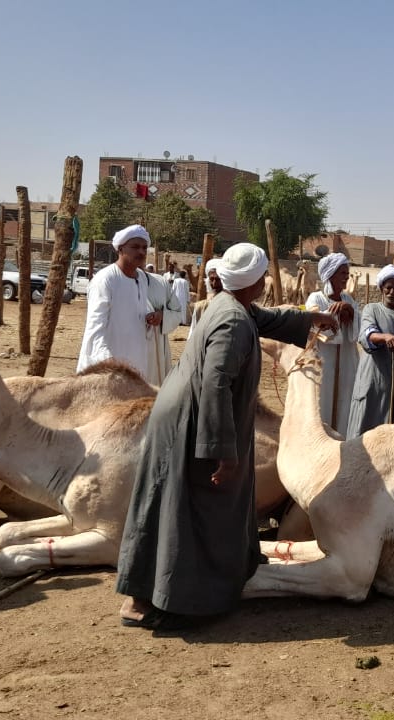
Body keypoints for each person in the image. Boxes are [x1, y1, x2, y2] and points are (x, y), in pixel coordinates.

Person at [116, 243, 338, 631]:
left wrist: (310, 318)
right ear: (254, 281)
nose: (267, 281)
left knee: (194, 503)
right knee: (182, 507)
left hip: (190, 413)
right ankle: (157, 601)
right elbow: (215, 384)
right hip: (194, 419)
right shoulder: (233, 322)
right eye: (264, 276)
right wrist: (222, 450)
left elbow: (266, 319)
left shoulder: (229, 305)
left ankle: (226, 573)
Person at [76, 224, 164, 382]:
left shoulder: (142, 278)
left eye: (144, 247)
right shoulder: (105, 279)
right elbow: (95, 326)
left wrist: (153, 318)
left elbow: (136, 314)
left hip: (136, 365)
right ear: (120, 249)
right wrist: (107, 362)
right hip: (107, 368)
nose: (141, 252)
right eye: (135, 247)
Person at [348, 265, 394, 438]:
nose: (391, 292)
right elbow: (366, 334)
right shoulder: (371, 309)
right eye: (388, 288)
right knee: (371, 432)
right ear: (381, 288)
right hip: (379, 383)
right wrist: (383, 337)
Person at [305, 253, 359, 434]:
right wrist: (332, 313)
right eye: (342, 273)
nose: (346, 277)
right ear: (330, 274)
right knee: (323, 400)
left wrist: (349, 310)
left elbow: (357, 328)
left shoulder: (349, 300)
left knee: (345, 401)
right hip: (323, 361)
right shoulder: (315, 298)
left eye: (347, 273)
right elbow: (316, 324)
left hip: (346, 361)